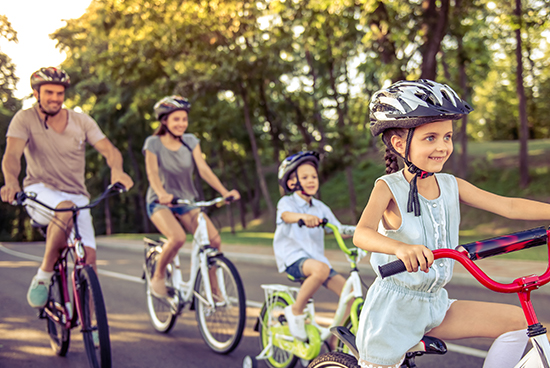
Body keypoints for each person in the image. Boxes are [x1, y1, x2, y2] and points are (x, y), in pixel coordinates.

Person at [353, 79, 550, 368]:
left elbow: (507, 205)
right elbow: (362, 234)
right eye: (430, 137)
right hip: (393, 311)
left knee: (521, 323)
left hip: (435, 304)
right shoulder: (388, 187)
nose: (443, 146)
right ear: (399, 143)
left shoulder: (451, 185)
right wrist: (400, 248)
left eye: (448, 137)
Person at [0, 66, 134, 309]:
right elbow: (12, 155)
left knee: (89, 261)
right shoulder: (24, 119)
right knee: (65, 209)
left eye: (59, 93)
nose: (54, 98)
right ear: (36, 93)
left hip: (77, 195)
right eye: (49, 92)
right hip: (39, 191)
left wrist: (117, 169)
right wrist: (11, 181)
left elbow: (109, 150)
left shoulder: (81, 121)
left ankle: (90, 324)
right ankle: (43, 275)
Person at [143, 95, 240, 298]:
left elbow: (203, 169)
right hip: (160, 202)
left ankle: (214, 291)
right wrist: (162, 194)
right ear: (164, 121)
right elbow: (152, 173)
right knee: (177, 238)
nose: (181, 124)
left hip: (186, 201)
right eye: (176, 119)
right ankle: (158, 276)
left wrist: (224, 192)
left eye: (184, 119)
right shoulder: (153, 143)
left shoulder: (190, 142)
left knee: (213, 240)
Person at [274, 151, 355, 341]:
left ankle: (336, 340)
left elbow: (339, 229)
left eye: (314, 176)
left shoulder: (320, 207)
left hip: (318, 262)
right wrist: (302, 217)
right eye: (305, 177)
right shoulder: (286, 202)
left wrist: (365, 229)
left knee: (350, 295)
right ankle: (295, 311)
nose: (311, 180)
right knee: (321, 269)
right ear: (292, 183)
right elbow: (286, 216)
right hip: (293, 258)